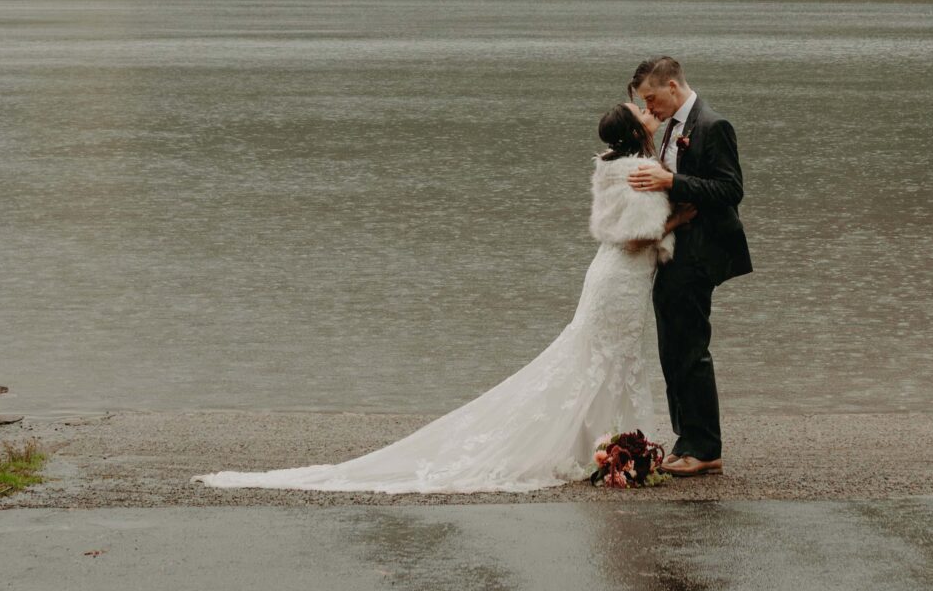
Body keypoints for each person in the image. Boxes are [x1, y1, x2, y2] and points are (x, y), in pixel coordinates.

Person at [195, 102, 693, 494]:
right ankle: (609, 448)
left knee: (609, 360)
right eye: (641, 114)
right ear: (634, 134)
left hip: (617, 279)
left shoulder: (617, 165)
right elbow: (634, 236)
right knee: (601, 359)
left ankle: (610, 443)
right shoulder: (636, 172)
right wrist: (681, 217)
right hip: (620, 276)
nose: (649, 114)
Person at [626, 56, 750, 477]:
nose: (649, 108)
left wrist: (672, 183)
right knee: (671, 347)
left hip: (702, 253)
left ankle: (707, 447)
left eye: (651, 98)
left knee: (691, 348)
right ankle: (685, 439)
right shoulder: (671, 130)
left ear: (673, 86)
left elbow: (731, 189)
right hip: (675, 250)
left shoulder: (713, 125)